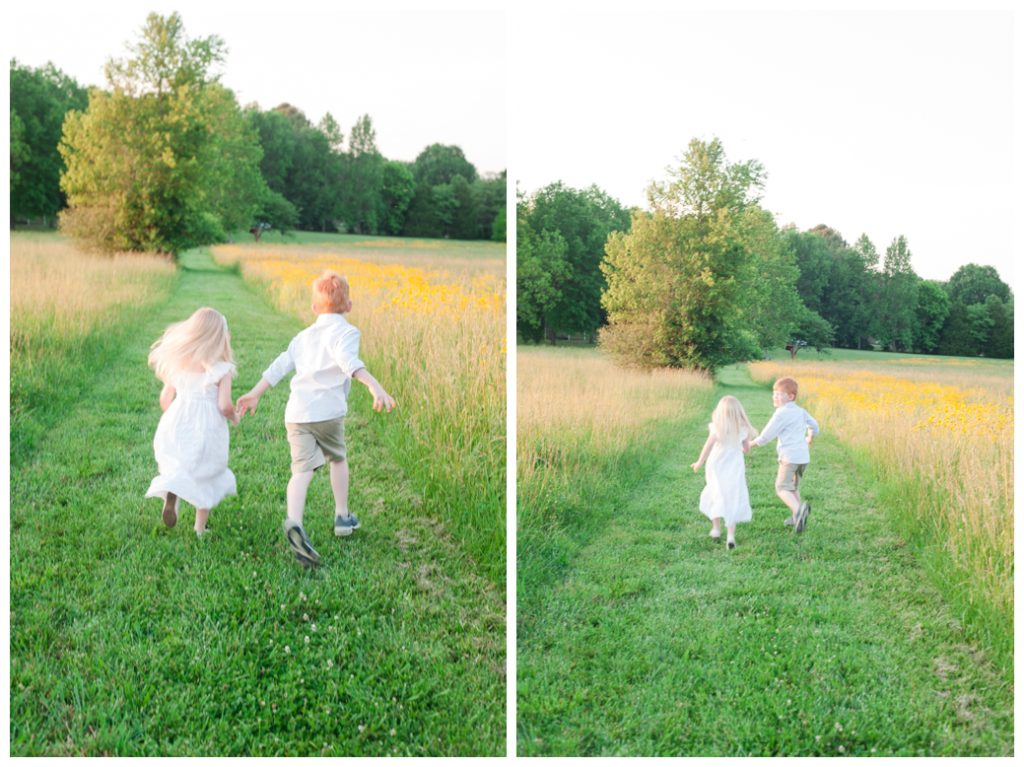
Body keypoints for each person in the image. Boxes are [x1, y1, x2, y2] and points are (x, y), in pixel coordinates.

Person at [236, 270, 396, 568]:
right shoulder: (347, 332)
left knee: (301, 471)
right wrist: (375, 385)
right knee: (337, 458)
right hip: (328, 413)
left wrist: (255, 393)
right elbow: (349, 363)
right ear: (349, 306)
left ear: (313, 309)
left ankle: (294, 520)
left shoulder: (302, 337)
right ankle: (342, 516)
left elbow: (280, 365)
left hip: (297, 414)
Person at [145, 307, 239, 536]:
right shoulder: (222, 370)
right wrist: (234, 416)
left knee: (179, 463)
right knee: (206, 471)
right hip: (207, 428)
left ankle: (172, 495)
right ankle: (199, 528)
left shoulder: (179, 364)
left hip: (177, 420)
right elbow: (224, 405)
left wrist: (175, 415)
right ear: (219, 338)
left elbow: (165, 398)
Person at [750, 377, 820, 533]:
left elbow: (765, 437)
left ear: (791, 396)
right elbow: (815, 426)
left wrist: (749, 445)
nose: (775, 396)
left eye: (780, 394)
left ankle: (799, 510)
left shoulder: (781, 414)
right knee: (793, 487)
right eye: (774, 393)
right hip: (803, 458)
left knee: (781, 488)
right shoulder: (801, 411)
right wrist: (810, 436)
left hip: (789, 458)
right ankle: (797, 518)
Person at [691, 395, 758, 550]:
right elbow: (746, 449)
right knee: (732, 497)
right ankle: (730, 536)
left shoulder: (717, 427)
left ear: (720, 412)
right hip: (734, 466)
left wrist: (699, 462)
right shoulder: (743, 428)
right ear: (738, 412)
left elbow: (708, 446)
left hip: (716, 465)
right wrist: (741, 446)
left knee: (716, 492)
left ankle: (715, 529)